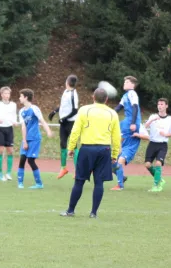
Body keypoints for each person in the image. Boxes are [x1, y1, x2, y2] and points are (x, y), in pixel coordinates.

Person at [60, 88, 121, 218]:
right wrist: (115, 154)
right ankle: (93, 213)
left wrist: (71, 148)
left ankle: (70, 210)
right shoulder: (112, 114)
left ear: (93, 97)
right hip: (104, 150)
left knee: (79, 181)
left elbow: (75, 130)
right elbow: (116, 137)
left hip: (87, 149)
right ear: (106, 100)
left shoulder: (84, 110)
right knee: (99, 182)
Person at [17, 89, 53, 189]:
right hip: (26, 138)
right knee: (22, 159)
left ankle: (39, 184)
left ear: (26, 97)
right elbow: (23, 126)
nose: (19, 98)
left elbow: (42, 121)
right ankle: (20, 183)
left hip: (35, 138)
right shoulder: (21, 112)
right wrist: (24, 140)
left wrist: (48, 131)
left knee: (31, 160)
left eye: (20, 96)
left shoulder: (34, 109)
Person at [112, 76, 141, 190]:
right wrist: (107, 113)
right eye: (124, 81)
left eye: (127, 82)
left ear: (132, 85)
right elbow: (118, 108)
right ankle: (121, 176)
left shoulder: (132, 93)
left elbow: (135, 107)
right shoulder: (125, 95)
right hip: (126, 121)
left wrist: (133, 122)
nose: (124, 83)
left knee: (118, 157)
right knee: (112, 161)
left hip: (130, 121)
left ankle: (120, 185)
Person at [48, 74, 79, 179]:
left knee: (73, 146)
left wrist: (64, 118)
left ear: (68, 82)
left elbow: (75, 110)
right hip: (63, 123)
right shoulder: (65, 92)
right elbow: (63, 105)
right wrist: (54, 111)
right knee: (62, 144)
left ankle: (77, 170)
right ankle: (63, 168)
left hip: (71, 122)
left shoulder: (74, 94)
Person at [143, 98, 171, 192]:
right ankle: (160, 180)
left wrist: (165, 134)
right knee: (147, 165)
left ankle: (156, 186)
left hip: (162, 145)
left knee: (158, 163)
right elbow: (144, 127)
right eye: (158, 104)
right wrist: (151, 120)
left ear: (166, 106)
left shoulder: (170, 119)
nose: (160, 106)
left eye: (162, 104)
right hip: (152, 143)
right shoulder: (153, 116)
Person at [0, 86, 18, 181]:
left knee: (10, 151)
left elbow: (14, 116)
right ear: (1, 95)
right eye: (5, 93)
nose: (6, 95)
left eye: (8, 93)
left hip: (9, 129)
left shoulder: (13, 104)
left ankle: (8, 173)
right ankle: (0, 173)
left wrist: (15, 122)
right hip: (0, 129)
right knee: (1, 150)